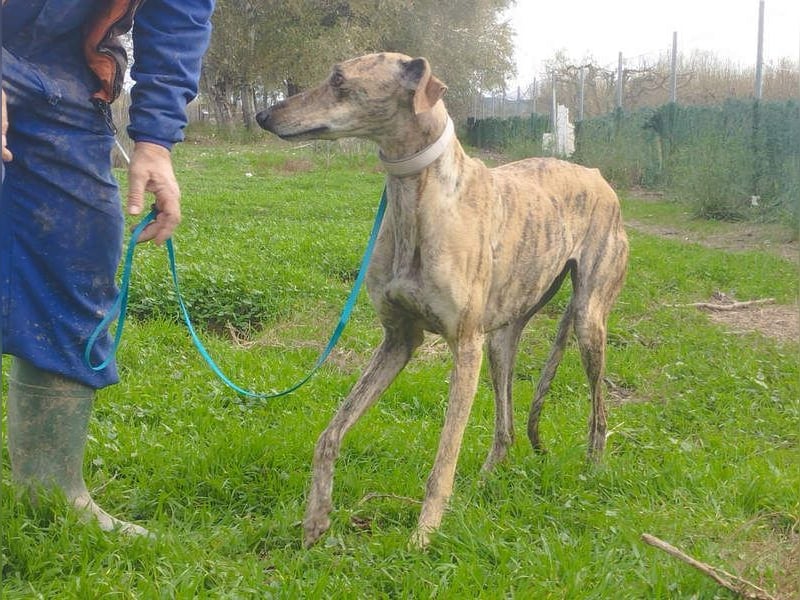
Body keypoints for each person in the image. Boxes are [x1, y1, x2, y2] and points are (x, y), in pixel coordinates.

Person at [1, 0, 215, 535]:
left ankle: (49, 494)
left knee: (80, 259)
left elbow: (179, 13)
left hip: (68, 74)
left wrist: (155, 139)